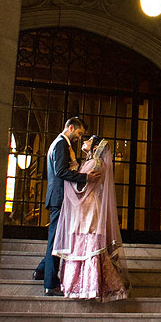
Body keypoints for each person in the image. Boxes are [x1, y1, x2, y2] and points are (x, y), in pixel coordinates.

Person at [53, 136, 132, 301]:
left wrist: (70, 170)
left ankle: (87, 286)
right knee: (86, 244)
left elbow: (79, 183)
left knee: (87, 245)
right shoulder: (95, 163)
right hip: (88, 206)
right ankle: (86, 285)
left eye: (88, 140)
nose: (84, 141)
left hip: (87, 206)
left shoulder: (95, 163)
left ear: (95, 147)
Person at [34, 117, 94, 295]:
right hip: (59, 199)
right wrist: (85, 178)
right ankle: (50, 284)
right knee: (56, 240)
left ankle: (41, 271)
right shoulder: (60, 144)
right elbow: (60, 171)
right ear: (70, 127)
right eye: (79, 132)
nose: (79, 136)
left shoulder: (57, 143)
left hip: (56, 197)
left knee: (55, 238)